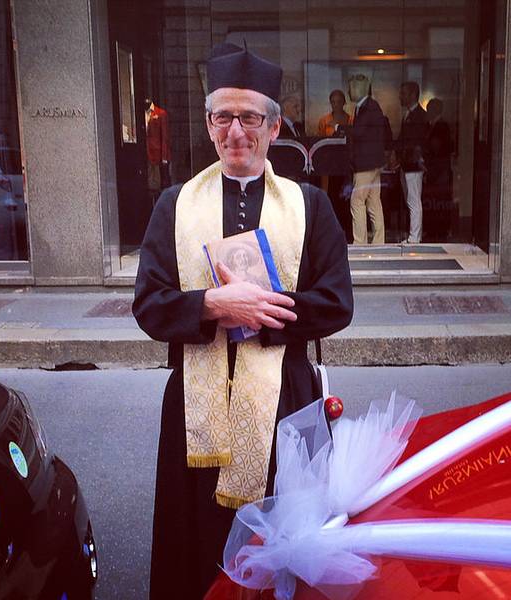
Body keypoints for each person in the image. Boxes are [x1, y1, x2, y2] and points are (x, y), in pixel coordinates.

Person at [133, 42, 353, 600]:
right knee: (196, 542)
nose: (236, 131)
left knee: (279, 539)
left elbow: (336, 302)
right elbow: (150, 305)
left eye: (249, 117)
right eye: (223, 117)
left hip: (285, 400)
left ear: (274, 127)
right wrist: (213, 305)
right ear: (209, 125)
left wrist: (266, 311)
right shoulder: (174, 205)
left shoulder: (310, 205)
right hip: (195, 405)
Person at [340, 74, 388, 245]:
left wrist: (340, 127)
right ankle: (379, 242)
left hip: (366, 164)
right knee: (374, 202)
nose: (348, 92)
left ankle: (360, 242)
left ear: (357, 89)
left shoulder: (369, 107)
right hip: (373, 163)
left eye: (350, 88)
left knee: (357, 200)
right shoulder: (368, 106)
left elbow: (359, 132)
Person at [317, 89, 354, 241]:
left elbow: (352, 141)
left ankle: (348, 234)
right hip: (329, 167)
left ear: (344, 103)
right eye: (333, 102)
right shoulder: (324, 120)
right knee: (330, 200)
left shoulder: (350, 120)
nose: (336, 105)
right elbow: (319, 143)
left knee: (347, 201)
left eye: (339, 102)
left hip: (346, 167)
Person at [395, 81, 428, 243]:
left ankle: (415, 237)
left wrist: (414, 159)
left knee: (414, 200)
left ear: (413, 95)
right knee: (411, 200)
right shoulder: (408, 114)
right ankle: (413, 235)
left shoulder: (419, 115)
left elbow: (418, 142)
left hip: (413, 165)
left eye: (404, 93)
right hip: (407, 164)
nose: (400, 97)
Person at [423, 98, 454, 241]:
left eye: (429, 109)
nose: (427, 112)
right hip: (436, 170)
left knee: (439, 201)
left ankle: (440, 230)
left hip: (440, 170)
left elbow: (437, 147)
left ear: (435, 110)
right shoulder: (433, 125)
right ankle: (434, 229)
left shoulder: (441, 126)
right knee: (434, 200)